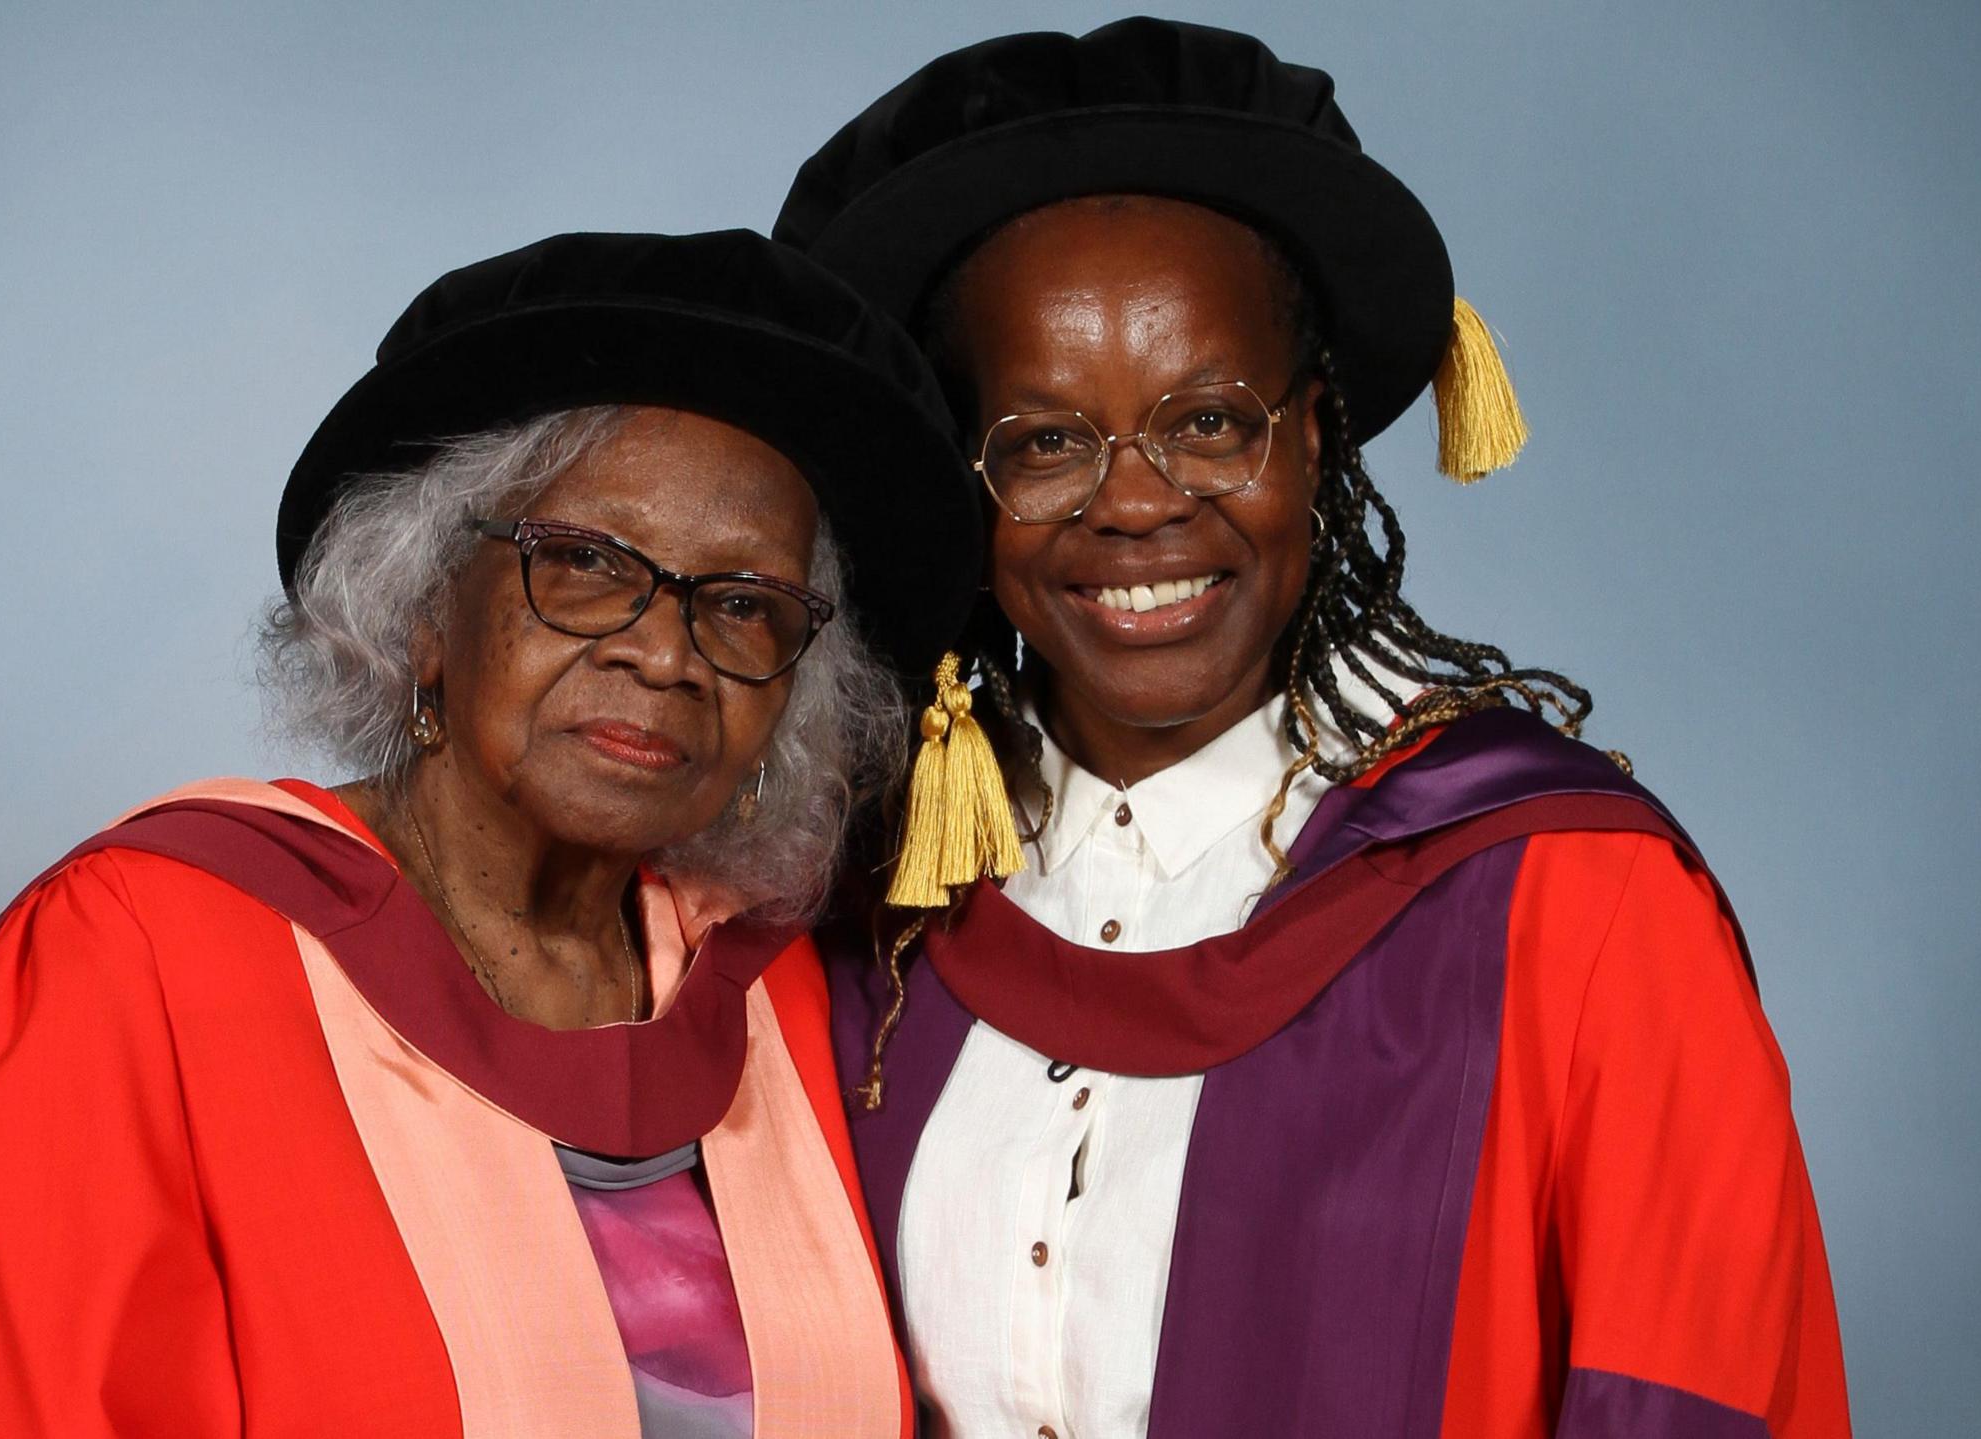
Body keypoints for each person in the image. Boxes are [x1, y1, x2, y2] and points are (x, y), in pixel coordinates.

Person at [775, 19, 1850, 1438]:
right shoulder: (862, 905)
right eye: (1043, 440)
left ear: (1320, 436)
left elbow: (1704, 1396)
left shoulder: (1568, 898)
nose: (1138, 502)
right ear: (965, 487)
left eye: (1211, 421)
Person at [0, 229, 984, 1437]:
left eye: (741, 604)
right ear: (422, 613)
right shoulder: (138, 956)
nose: (662, 652)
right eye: (580, 562)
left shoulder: (779, 988)